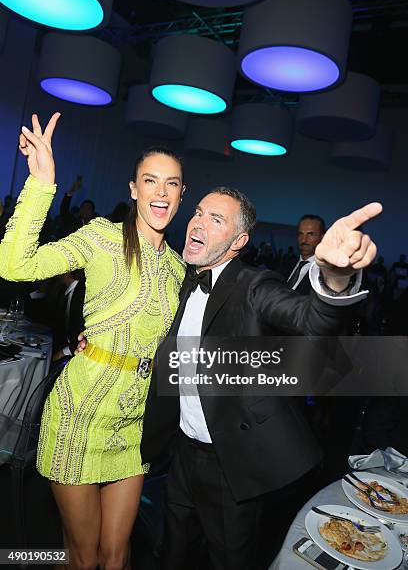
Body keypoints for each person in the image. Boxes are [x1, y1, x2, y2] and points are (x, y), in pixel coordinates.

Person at [139, 187, 381, 569]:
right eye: (199, 212)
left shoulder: (255, 285)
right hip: (182, 454)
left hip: (232, 462)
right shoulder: (184, 280)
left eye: (216, 220)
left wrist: (335, 280)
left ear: (239, 241)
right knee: (170, 551)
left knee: (229, 558)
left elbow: (311, 321)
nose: (198, 222)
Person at [0, 113, 186, 570]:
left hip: (133, 424)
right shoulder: (102, 237)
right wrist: (42, 184)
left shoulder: (180, 269)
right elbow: (15, 265)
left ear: (182, 194)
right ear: (133, 189)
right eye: (151, 181)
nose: (161, 192)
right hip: (80, 411)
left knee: (116, 557)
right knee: (83, 558)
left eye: (172, 184)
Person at [287, 214, 325, 294]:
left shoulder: (326, 273)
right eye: (300, 234)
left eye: (310, 234)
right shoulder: (286, 264)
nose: (303, 240)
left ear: (322, 238)